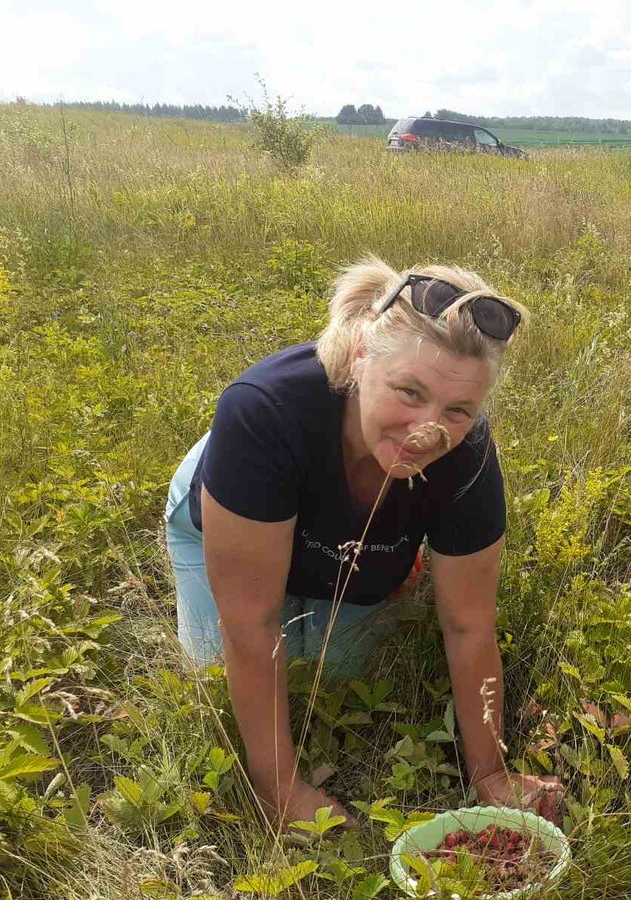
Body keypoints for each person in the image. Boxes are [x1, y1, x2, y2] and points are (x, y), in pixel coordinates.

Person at [163, 256, 562, 829]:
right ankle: (377, 563)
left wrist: (491, 776)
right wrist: (281, 788)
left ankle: (385, 559)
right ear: (359, 360)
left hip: (342, 542)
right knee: (216, 672)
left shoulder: (468, 453)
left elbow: (469, 624)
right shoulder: (261, 413)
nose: (427, 430)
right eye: (408, 392)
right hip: (234, 509)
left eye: (457, 410)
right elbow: (250, 625)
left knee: (341, 674)